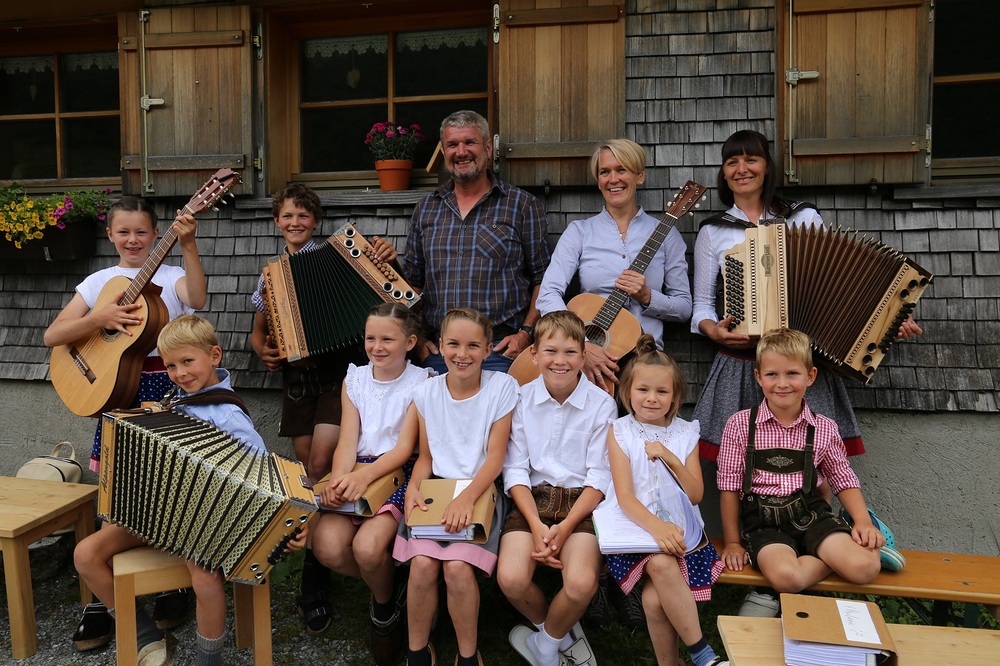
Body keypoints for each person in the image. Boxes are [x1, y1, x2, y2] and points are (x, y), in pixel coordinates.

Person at [690, 129, 919, 615]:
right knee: (745, 463)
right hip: (746, 363)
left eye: (751, 160)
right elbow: (700, 307)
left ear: (767, 166)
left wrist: (889, 320)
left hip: (800, 362)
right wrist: (715, 331)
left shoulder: (802, 218)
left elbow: (845, 286)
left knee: (812, 457)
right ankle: (772, 562)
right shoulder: (713, 231)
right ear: (724, 172)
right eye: (732, 162)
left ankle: (810, 553)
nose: (742, 169)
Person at [73, 314, 305, 666]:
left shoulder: (228, 417)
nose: (180, 373)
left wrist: (287, 528)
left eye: (187, 362)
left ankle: (209, 659)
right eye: (171, 366)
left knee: (205, 577)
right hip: (159, 518)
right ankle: (146, 637)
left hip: (206, 526)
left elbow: (263, 479)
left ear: (214, 355)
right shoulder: (173, 400)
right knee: (85, 554)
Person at [44, 195, 206, 649]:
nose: (133, 240)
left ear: (156, 234)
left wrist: (188, 245)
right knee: (116, 492)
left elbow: (197, 299)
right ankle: (105, 592)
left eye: (141, 232)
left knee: (169, 487)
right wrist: (100, 317)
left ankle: (174, 582)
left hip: (165, 389)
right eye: (124, 232)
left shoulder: (170, 276)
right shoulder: (99, 281)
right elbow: (54, 334)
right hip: (115, 390)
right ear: (110, 234)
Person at [249, 182, 396, 633]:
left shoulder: (339, 257)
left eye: (303, 216)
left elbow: (385, 295)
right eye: (287, 216)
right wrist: (261, 348)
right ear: (276, 221)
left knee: (319, 461)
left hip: (337, 376)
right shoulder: (270, 274)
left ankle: (315, 578)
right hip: (298, 380)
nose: (295, 222)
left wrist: (385, 261)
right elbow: (258, 330)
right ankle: (319, 565)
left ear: (315, 221)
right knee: (307, 468)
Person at [716, 328, 893, 613]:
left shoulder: (824, 427)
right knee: (787, 578)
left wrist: (862, 521)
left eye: (792, 374)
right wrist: (733, 543)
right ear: (758, 377)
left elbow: (843, 478)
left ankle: (861, 539)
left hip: (812, 516)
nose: (782, 383)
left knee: (865, 568)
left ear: (810, 376)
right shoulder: (739, 425)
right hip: (764, 524)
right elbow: (728, 487)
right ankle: (831, 558)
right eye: (772, 374)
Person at [392, 308, 519, 666]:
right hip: (437, 489)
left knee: (457, 567)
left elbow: (495, 458)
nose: (462, 354)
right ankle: (417, 652)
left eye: (473, 346)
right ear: (441, 345)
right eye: (453, 344)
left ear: (488, 349)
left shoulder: (501, 388)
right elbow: (426, 457)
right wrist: (414, 487)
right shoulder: (427, 392)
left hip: (480, 490)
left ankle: (467, 655)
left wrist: (466, 498)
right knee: (421, 566)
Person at [310, 303, 430, 666]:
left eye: (387, 339)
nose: (377, 347)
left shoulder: (422, 383)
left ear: (409, 342)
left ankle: (382, 610)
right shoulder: (355, 379)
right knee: (327, 545)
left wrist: (364, 476)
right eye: (370, 338)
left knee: (367, 547)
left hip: (396, 471)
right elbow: (348, 439)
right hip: (356, 469)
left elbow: (405, 448)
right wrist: (339, 478)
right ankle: (392, 586)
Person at [499, 311, 617, 666]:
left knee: (581, 583)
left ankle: (546, 646)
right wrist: (537, 526)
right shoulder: (521, 399)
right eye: (550, 351)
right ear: (534, 354)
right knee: (511, 578)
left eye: (570, 352)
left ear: (583, 356)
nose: (560, 361)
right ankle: (555, 630)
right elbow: (515, 470)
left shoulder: (602, 404)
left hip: (582, 505)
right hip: (532, 501)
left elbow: (599, 477)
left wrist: (564, 528)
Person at [605, 334, 727, 666]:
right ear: (628, 392)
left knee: (654, 601)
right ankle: (703, 654)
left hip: (682, 531)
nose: (651, 398)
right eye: (643, 390)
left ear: (675, 396)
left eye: (662, 391)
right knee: (659, 564)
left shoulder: (685, 433)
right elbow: (625, 496)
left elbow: (695, 495)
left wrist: (671, 457)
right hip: (637, 529)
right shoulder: (620, 431)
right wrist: (657, 528)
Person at [401, 110, 551, 374]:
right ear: (444, 150)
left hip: (499, 351)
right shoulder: (426, 209)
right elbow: (412, 282)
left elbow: (544, 278)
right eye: (452, 145)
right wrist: (418, 338)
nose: (461, 152)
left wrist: (526, 333)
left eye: (470, 142)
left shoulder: (522, 205)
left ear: (488, 148)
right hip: (438, 352)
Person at [536, 138, 692, 391]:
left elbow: (684, 307)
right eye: (604, 172)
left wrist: (648, 297)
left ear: (640, 176)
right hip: (585, 360)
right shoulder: (580, 232)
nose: (613, 179)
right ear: (598, 180)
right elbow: (548, 294)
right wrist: (580, 345)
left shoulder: (666, 234)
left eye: (622, 170)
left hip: (644, 363)